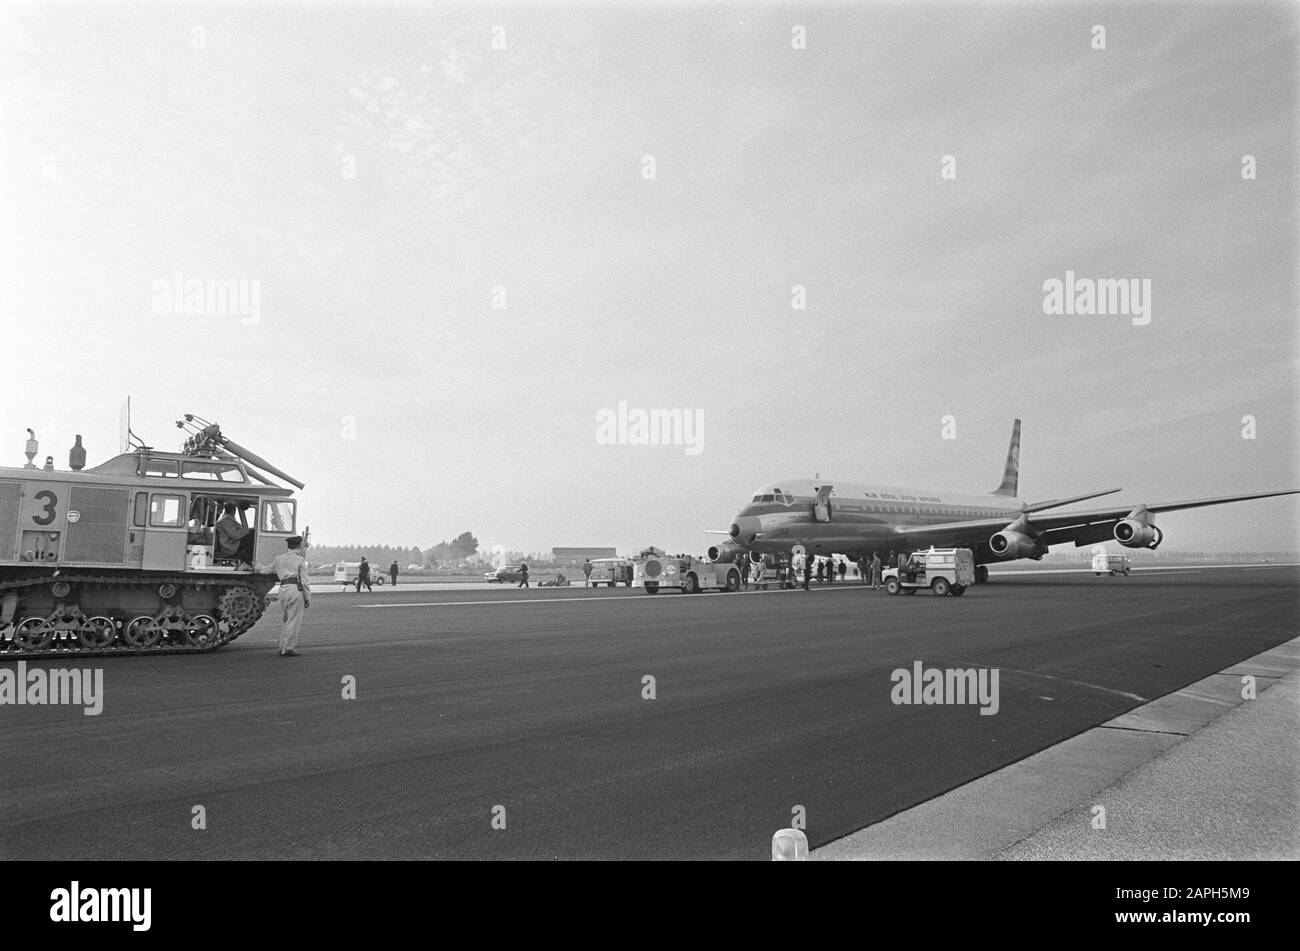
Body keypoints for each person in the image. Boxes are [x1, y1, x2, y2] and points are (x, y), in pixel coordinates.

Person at [262, 535, 310, 657]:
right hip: (295, 590)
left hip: (282, 590)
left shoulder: (279, 559)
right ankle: (287, 648)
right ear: (298, 546)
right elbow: (304, 581)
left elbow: (266, 570)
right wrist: (307, 597)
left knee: (286, 619)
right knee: (293, 620)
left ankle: (282, 647)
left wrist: (255, 565)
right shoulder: (300, 560)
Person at [214, 502, 253, 567]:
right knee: (252, 535)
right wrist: (245, 531)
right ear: (233, 510)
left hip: (231, 542)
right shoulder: (226, 520)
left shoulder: (227, 519)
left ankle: (247, 560)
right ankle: (248, 561)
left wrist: (244, 531)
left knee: (251, 532)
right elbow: (235, 536)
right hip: (229, 546)